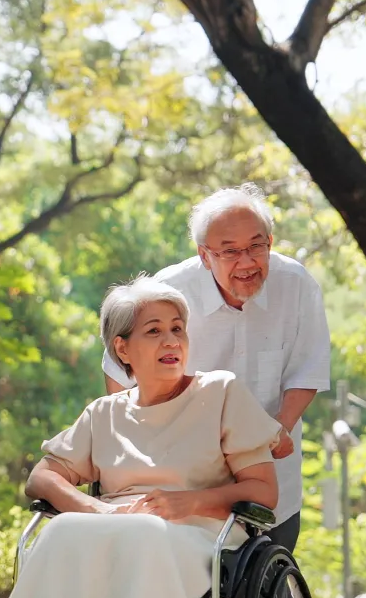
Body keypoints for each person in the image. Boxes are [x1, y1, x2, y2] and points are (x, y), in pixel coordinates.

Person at [0, 276, 281, 598]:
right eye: (154, 332)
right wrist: (97, 508)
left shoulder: (221, 392)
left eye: (178, 329)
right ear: (122, 348)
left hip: (197, 532)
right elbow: (43, 478)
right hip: (115, 526)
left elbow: (262, 491)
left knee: (143, 535)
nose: (171, 341)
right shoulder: (103, 413)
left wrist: (192, 503)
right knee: (59, 532)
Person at [101, 185, 330, 552]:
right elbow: (120, 373)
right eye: (230, 252)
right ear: (205, 256)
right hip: (185, 477)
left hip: (269, 477)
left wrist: (280, 427)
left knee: (270, 586)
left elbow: (308, 370)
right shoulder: (167, 291)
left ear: (271, 242)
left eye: (257, 246)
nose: (247, 262)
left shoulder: (297, 285)